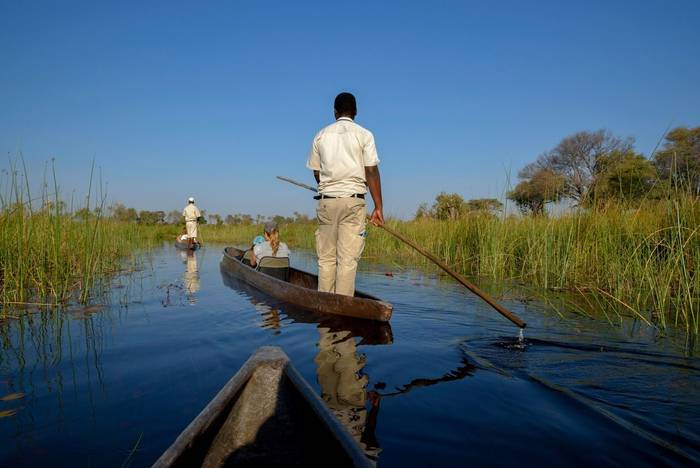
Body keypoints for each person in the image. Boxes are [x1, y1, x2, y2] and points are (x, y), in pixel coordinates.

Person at [306, 92, 384, 296]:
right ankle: (342, 311)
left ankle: (324, 308)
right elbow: (372, 171)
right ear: (356, 111)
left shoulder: (320, 135)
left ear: (334, 112)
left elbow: (316, 171)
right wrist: (378, 207)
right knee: (347, 262)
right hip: (354, 202)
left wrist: (330, 189)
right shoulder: (365, 135)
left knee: (326, 260)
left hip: (327, 203)